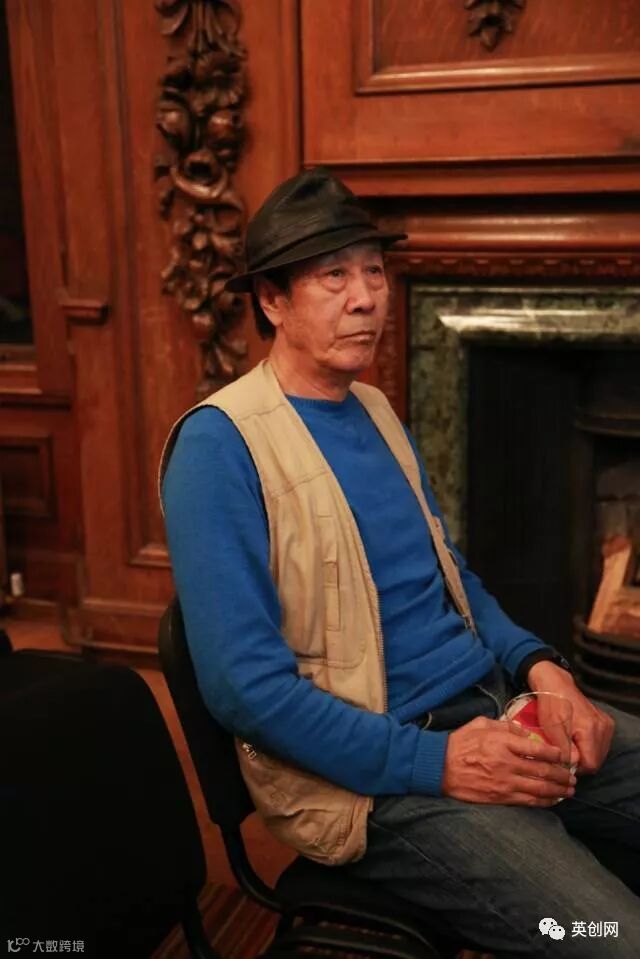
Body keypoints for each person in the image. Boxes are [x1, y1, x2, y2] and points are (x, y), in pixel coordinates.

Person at [159, 168, 640, 957]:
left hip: (495, 707)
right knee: (613, 937)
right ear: (272, 300)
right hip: (381, 779)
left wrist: (546, 669)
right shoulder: (218, 446)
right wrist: (439, 760)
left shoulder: (376, 409)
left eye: (374, 271)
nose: (366, 298)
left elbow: (453, 579)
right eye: (333, 276)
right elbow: (246, 690)